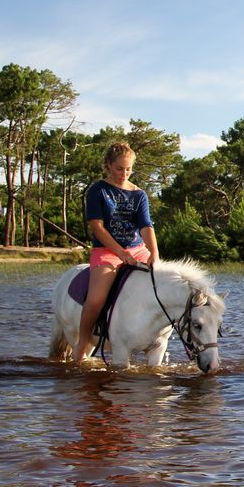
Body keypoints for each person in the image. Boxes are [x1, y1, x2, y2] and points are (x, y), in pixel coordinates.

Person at [72, 142, 160, 364]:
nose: (124, 173)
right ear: (109, 165)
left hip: (137, 249)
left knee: (162, 285)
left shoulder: (139, 194)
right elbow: (97, 228)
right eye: (120, 168)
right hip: (107, 251)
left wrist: (154, 253)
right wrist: (121, 253)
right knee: (96, 300)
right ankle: (83, 342)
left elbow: (146, 226)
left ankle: (157, 337)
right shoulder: (98, 190)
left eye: (128, 169)